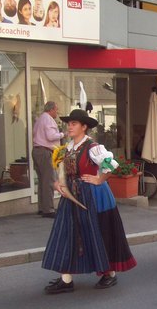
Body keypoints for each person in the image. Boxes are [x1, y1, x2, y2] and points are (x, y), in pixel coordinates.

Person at [41, 109, 136, 294]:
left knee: (98, 232)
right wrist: (57, 184)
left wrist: (100, 179)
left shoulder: (93, 148)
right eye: (69, 123)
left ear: (84, 127)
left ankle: (109, 273)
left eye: (74, 123)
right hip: (71, 197)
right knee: (67, 234)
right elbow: (63, 172)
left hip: (93, 196)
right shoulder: (68, 148)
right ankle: (66, 279)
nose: (69, 126)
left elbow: (111, 165)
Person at [32, 101, 63, 218]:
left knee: (42, 181)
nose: (57, 112)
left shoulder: (40, 119)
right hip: (45, 151)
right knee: (49, 181)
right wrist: (62, 134)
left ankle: (42, 207)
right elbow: (50, 136)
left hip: (37, 150)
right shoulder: (48, 119)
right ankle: (48, 209)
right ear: (51, 110)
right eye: (56, 110)